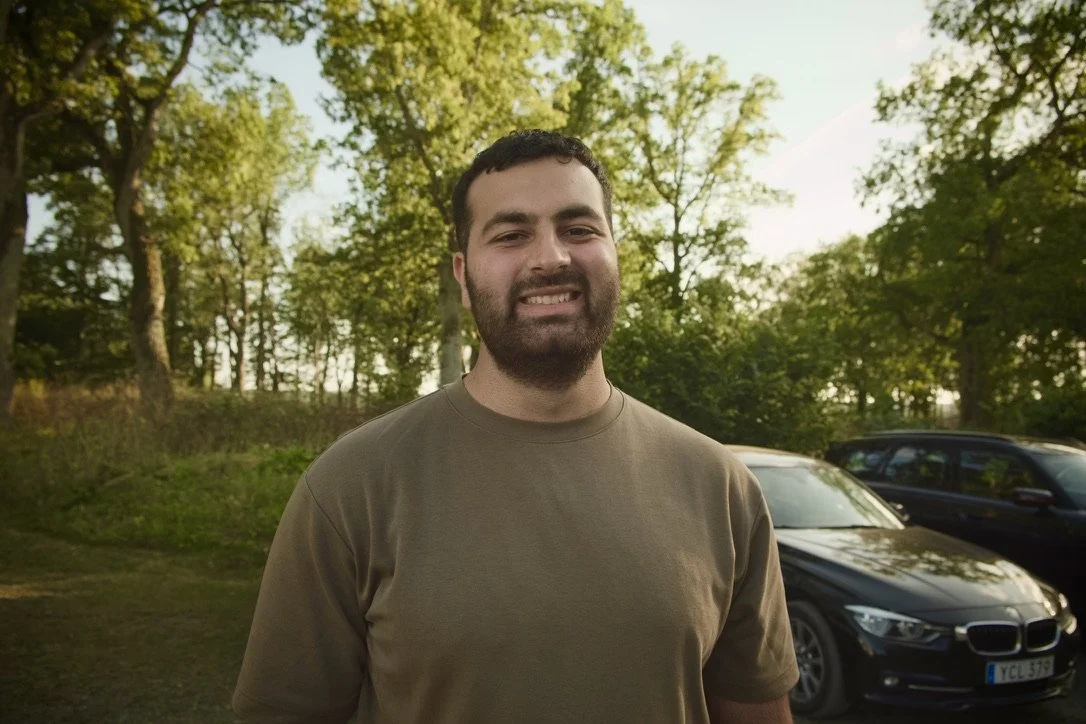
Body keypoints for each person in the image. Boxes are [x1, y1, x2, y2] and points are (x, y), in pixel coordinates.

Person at [233, 130, 799, 724]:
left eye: (579, 229)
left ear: (614, 253)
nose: (550, 256)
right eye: (510, 235)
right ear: (464, 272)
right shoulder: (351, 487)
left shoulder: (721, 486)